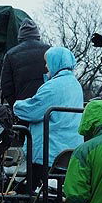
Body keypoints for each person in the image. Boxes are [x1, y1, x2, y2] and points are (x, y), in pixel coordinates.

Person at [13, 47, 84, 191]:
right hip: (68, 151)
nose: (45, 66)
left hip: (49, 152)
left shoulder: (54, 86)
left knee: (34, 194)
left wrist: (16, 105)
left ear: (55, 62)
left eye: (47, 62)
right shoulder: (75, 84)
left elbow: (33, 110)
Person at [0, 18, 50, 107]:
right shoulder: (49, 51)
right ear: (37, 34)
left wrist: (15, 105)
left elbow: (6, 86)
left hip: (23, 107)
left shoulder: (10, 55)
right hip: (48, 106)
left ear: (20, 36)